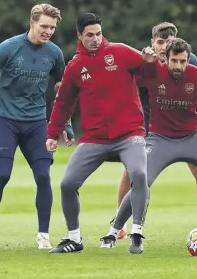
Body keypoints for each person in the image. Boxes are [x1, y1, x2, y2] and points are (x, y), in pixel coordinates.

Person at [102, 39, 197, 251]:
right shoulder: (153, 73)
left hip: (192, 138)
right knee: (140, 182)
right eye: (174, 61)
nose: (178, 66)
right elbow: (123, 78)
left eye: (182, 61)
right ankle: (114, 231)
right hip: (160, 140)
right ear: (166, 59)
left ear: (188, 60)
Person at [0, 3, 74, 250]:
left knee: (43, 176)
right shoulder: (9, 47)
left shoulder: (54, 53)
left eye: (52, 27)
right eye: (44, 26)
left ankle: (43, 236)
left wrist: (65, 124)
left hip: (38, 123)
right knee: (3, 174)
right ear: (32, 23)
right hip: (7, 121)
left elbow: (62, 91)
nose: (48, 31)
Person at [46, 13, 149, 254]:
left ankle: (136, 233)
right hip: (95, 138)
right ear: (79, 36)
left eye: (98, 34)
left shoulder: (121, 52)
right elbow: (63, 104)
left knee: (140, 174)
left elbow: (151, 76)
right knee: (67, 183)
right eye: (90, 35)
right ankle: (74, 239)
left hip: (129, 134)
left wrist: (149, 62)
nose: (95, 39)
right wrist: (53, 133)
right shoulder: (75, 67)